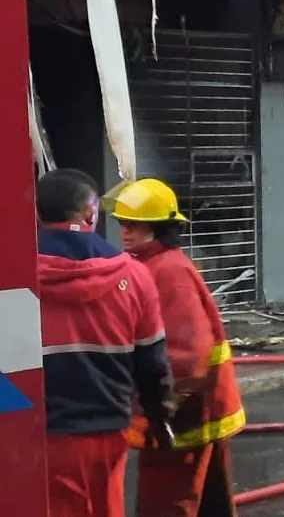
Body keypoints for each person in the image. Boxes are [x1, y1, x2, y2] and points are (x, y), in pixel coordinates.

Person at [35, 169, 174, 517]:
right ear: (90, 213)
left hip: (35, 436)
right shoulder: (134, 274)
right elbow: (152, 363)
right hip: (109, 430)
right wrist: (158, 419)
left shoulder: (13, 276)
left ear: (36, 214)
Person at [106, 178, 246, 517]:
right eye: (123, 224)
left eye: (135, 225)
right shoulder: (153, 264)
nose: (126, 232)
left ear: (158, 227)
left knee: (167, 501)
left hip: (185, 411)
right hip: (199, 403)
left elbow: (188, 355)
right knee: (210, 499)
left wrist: (159, 407)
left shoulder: (167, 270)